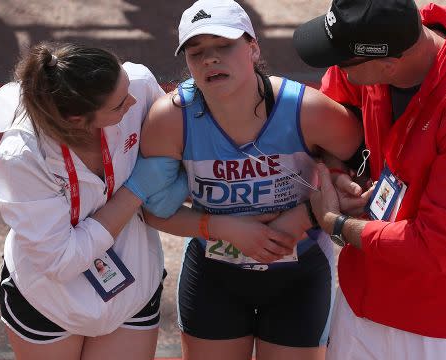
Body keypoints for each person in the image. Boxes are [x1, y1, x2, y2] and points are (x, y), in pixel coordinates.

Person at [293, 0, 446, 359]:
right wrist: (336, 170)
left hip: (442, 325)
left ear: (389, 66)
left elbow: (434, 246)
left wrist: (336, 225)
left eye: (345, 60)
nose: (337, 66)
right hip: (362, 298)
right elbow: (335, 103)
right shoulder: (388, 41)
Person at [140, 1, 363, 359]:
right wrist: (223, 228)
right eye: (197, 53)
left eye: (224, 46)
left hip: (299, 276)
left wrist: (306, 214)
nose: (210, 59)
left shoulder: (308, 110)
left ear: (253, 48)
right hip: (214, 277)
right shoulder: (170, 118)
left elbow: (363, 169)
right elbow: (150, 210)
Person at [0, 42, 188, 360]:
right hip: (49, 300)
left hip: (132, 289)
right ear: (77, 119)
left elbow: (182, 145)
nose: (134, 102)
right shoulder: (20, 157)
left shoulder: (136, 83)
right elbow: (60, 260)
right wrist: (134, 192)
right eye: (120, 105)